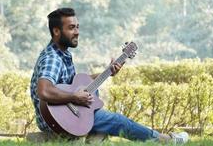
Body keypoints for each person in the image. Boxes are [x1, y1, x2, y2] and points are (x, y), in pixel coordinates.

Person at [30, 8, 189, 144]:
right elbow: (44, 91)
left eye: (77, 27)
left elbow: (76, 84)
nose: (77, 32)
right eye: (71, 27)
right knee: (119, 121)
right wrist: (74, 97)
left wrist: (107, 72)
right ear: (56, 31)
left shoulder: (62, 54)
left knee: (107, 117)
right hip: (58, 120)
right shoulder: (52, 58)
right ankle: (165, 140)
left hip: (68, 115)